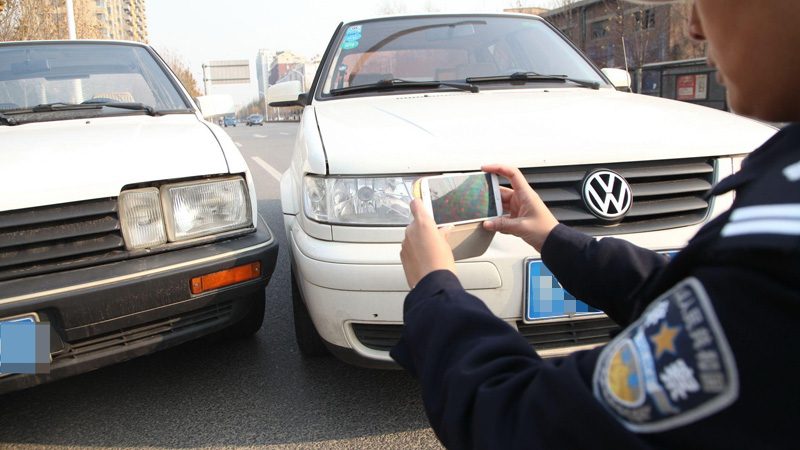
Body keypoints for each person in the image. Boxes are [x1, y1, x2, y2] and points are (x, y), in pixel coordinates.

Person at [390, 1, 800, 448]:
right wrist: (552, 238)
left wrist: (434, 288)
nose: (695, 27)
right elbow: (696, 298)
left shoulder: (776, 256)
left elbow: (520, 422)